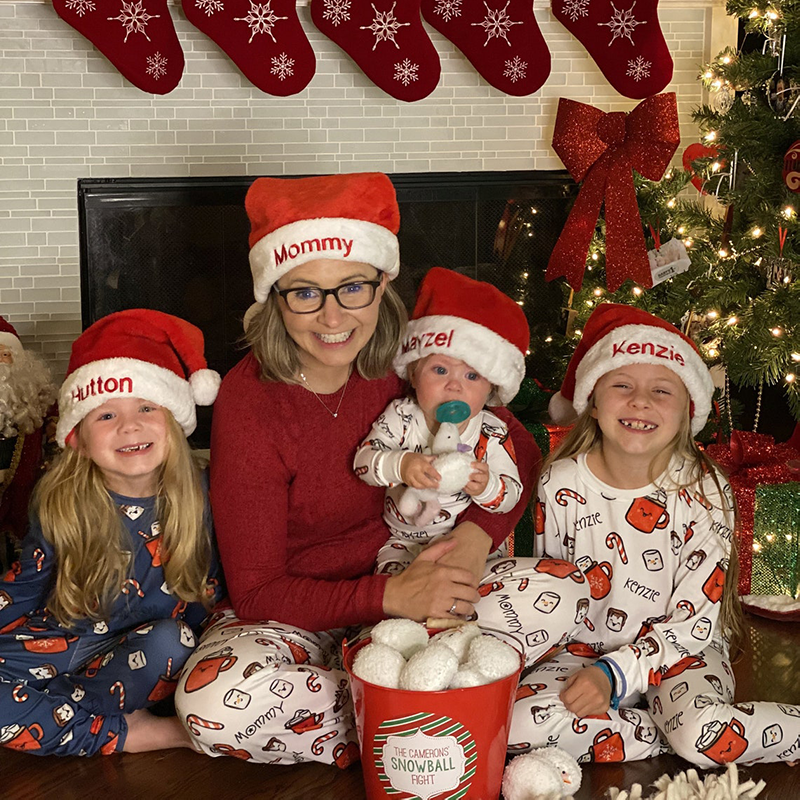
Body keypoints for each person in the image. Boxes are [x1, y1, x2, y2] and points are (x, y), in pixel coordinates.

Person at [174, 172, 591, 766]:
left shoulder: (403, 364)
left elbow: (516, 441)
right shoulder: (252, 402)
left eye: (353, 288)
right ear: (274, 296)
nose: (332, 315)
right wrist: (392, 597)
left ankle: (397, 708)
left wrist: (474, 542)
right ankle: (444, 715)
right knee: (214, 703)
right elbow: (259, 589)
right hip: (302, 611)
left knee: (563, 589)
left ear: (380, 284)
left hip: (419, 575)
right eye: (304, 292)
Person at [518, 302, 800, 766]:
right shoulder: (559, 482)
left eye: (661, 390)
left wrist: (617, 674)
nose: (640, 401)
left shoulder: (705, 490)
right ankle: (665, 733)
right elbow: (558, 592)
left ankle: (685, 728)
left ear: (688, 409)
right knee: (519, 721)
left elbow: (694, 625)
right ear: (592, 399)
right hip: (583, 652)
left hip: (682, 652)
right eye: (622, 385)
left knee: (702, 734)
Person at [0, 310, 223, 757]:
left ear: (174, 424)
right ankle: (115, 728)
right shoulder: (61, 499)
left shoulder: (202, 495)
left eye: (146, 407)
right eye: (106, 415)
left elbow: (213, 587)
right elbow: (23, 589)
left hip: (150, 653)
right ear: (78, 436)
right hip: (66, 636)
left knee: (172, 641)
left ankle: (100, 724)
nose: (130, 425)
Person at [354, 267, 527, 576]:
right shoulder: (402, 416)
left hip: (469, 550)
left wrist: (487, 487)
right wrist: (401, 464)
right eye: (440, 370)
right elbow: (363, 464)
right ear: (413, 373)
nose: (455, 385)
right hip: (403, 545)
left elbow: (511, 494)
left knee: (479, 591)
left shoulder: (491, 432)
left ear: (491, 389)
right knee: (398, 597)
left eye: (472, 376)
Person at [0, 317, 58, 549]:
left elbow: (53, 414)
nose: (1, 361)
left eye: (6, 354)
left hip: (23, 482)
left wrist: (53, 430)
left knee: (21, 527)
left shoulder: (34, 392)